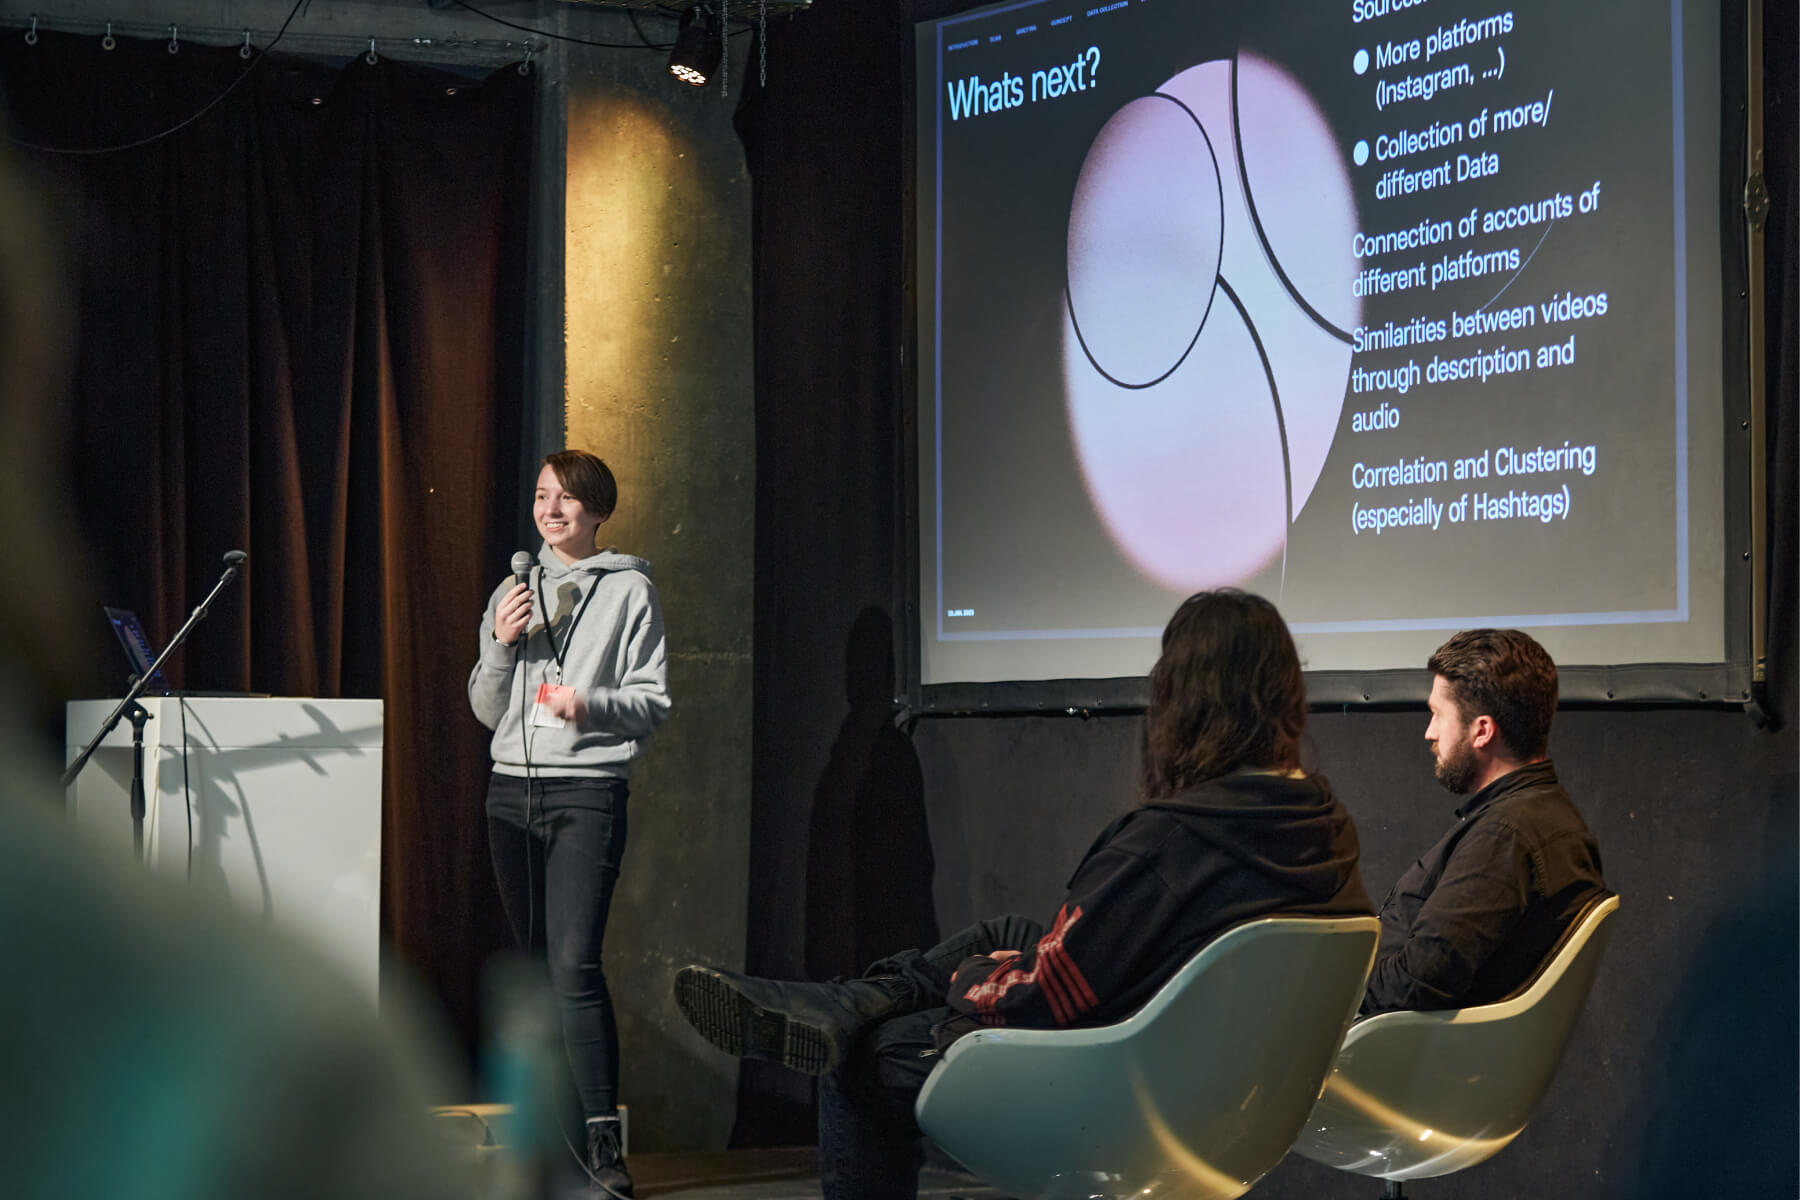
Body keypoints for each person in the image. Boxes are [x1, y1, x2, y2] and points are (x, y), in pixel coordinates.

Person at [673, 589, 1371, 1200]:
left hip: (1117, 1086)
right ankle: (838, 1003)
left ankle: (843, 1014)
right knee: (1004, 928)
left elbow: (1048, 998)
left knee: (862, 1059)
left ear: (1183, 701)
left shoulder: (1172, 839)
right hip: (1237, 1099)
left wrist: (975, 982)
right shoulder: (1326, 829)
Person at [467, 450, 672, 1200]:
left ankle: (600, 1148)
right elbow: (488, 710)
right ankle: (543, 1147)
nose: (550, 511)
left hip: (585, 792)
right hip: (508, 796)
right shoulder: (513, 589)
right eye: (541, 496)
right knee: (529, 981)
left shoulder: (629, 591)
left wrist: (586, 705)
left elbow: (652, 703)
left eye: (567, 500)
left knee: (572, 969)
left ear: (598, 511)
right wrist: (500, 642)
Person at [1362, 628, 1607, 1014]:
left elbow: (1418, 983)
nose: (1429, 732)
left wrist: (1334, 988)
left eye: (1438, 715)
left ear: (1482, 731)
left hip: (1397, 1049)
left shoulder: (1507, 836)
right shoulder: (1543, 817)